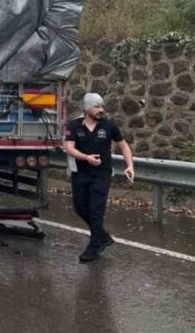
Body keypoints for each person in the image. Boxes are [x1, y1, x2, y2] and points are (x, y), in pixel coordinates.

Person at [63, 92, 135, 263]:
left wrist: (130, 165)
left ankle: (94, 247)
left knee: (96, 210)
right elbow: (68, 148)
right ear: (87, 108)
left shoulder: (109, 126)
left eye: (101, 106)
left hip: (101, 174)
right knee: (80, 208)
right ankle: (102, 236)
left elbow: (123, 146)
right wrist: (86, 158)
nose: (100, 110)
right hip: (80, 173)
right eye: (96, 106)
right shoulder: (72, 126)